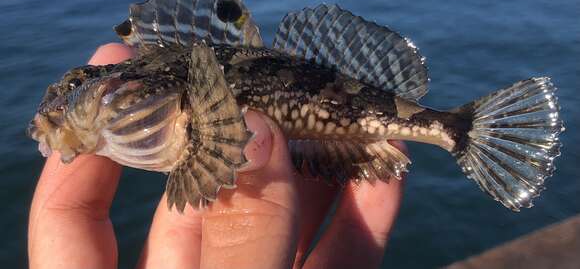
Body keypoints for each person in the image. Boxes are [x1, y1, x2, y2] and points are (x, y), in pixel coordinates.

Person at [28, 43, 405, 269]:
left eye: (77, 85)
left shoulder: (168, 90)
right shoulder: (155, 86)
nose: (63, 104)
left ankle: (449, 129)